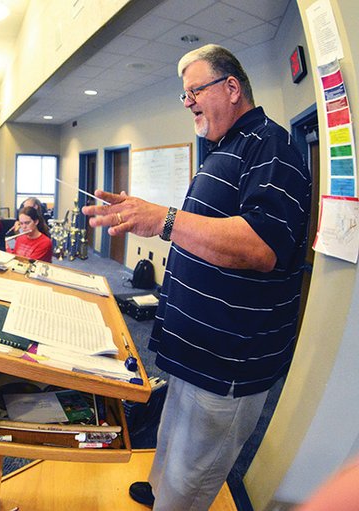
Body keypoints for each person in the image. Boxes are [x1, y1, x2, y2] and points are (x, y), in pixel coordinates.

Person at [81, 45, 312, 511]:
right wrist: (147, 213)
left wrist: (162, 220)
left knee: (193, 473)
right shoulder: (223, 149)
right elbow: (208, 230)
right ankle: (158, 490)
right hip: (193, 348)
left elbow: (260, 246)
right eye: (183, 95)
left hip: (229, 361)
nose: (187, 103)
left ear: (231, 88)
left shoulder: (272, 147)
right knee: (170, 436)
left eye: (194, 91)